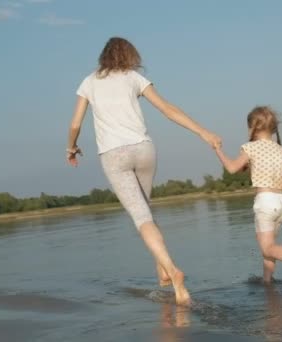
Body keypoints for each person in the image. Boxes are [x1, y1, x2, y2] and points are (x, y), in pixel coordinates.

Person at [66, 37, 221, 306]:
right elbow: (167, 109)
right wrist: (203, 132)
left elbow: (75, 123)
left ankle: (172, 272)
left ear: (103, 57)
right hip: (144, 150)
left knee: (141, 217)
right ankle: (161, 270)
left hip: (114, 155)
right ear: (129, 55)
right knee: (146, 211)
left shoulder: (89, 82)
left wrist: (71, 147)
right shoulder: (134, 78)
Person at [214, 106, 282, 283]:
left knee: (267, 247)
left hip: (266, 202)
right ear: (274, 128)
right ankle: (268, 281)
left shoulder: (250, 148)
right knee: (270, 246)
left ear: (252, 127)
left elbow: (232, 168)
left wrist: (217, 150)